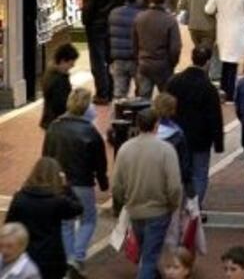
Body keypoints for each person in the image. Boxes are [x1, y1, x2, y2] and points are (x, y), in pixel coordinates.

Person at [40, 88, 106, 277]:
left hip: (59, 182)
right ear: (86, 107)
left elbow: (46, 155)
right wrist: (103, 182)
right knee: (88, 219)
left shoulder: (54, 126)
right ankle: (76, 257)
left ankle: (69, 260)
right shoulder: (90, 131)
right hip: (83, 182)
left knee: (66, 223)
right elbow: (99, 162)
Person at [111, 109, 184, 279]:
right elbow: (174, 186)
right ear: (156, 125)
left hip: (135, 209)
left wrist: (124, 203)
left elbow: (117, 185)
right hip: (159, 210)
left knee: (147, 251)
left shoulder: (125, 149)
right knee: (150, 256)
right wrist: (173, 205)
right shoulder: (166, 150)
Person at [165, 47, 224, 210]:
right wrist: (218, 142)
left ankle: (179, 205)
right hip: (201, 139)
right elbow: (215, 117)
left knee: (180, 172)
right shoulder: (209, 88)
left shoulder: (174, 82)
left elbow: (165, 106)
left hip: (177, 135)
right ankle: (194, 208)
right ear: (207, 62)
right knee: (199, 173)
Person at [4, 158, 82, 279]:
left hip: (25, 257)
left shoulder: (19, 198)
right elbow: (78, 208)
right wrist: (66, 187)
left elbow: (9, 225)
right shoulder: (57, 200)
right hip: (51, 258)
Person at [81, 0, 124, 105]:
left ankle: (103, 93)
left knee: (98, 60)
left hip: (96, 25)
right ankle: (111, 90)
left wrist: (86, 21)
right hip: (112, 23)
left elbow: (89, 8)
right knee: (109, 58)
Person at [132, 0, 182, 97]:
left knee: (143, 99)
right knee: (166, 100)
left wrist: (138, 59)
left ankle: (143, 114)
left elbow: (134, 43)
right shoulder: (170, 20)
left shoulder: (139, 18)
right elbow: (175, 48)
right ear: (166, 0)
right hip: (163, 65)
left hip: (144, 63)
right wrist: (172, 63)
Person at [109, 0, 144, 100]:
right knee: (142, 91)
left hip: (118, 57)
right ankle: (139, 115)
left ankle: (119, 115)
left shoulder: (114, 13)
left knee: (119, 91)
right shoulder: (141, 15)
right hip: (136, 58)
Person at [39, 45, 78, 130]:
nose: (73, 66)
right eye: (71, 63)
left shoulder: (51, 74)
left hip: (51, 120)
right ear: (63, 61)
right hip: (58, 122)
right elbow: (60, 104)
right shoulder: (58, 80)